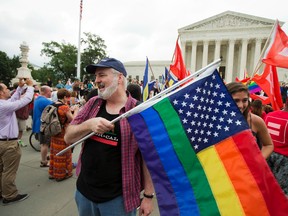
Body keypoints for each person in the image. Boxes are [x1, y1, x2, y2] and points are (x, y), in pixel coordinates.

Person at [64, 57, 154, 216]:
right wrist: (89, 124)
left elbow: (148, 158)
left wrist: (148, 196)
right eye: (96, 76)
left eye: (101, 75)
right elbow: (68, 138)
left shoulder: (137, 111)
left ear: (119, 78)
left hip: (118, 199)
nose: (96, 80)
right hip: (84, 192)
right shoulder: (92, 103)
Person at [0, 78, 34, 205]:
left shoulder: (3, 104)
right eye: (6, 89)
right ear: (1, 93)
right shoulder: (3, 106)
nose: (8, 89)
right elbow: (24, 101)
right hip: (8, 144)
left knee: (1, 169)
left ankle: (2, 191)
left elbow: (12, 100)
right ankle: (9, 195)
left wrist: (19, 88)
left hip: (2, 142)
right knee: (9, 171)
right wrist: (30, 87)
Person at [226, 82, 273, 159]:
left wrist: (258, 161)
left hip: (247, 170)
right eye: (236, 101)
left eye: (244, 100)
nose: (241, 105)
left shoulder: (256, 121)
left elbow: (268, 145)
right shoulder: (214, 121)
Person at [49, 89, 79, 181]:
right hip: (63, 132)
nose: (69, 99)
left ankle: (52, 173)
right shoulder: (64, 107)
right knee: (64, 153)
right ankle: (61, 174)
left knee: (54, 152)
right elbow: (73, 119)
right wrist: (76, 110)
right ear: (65, 97)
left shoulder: (52, 104)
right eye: (68, 97)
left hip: (54, 132)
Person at [264, 99, 288, 196]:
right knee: (282, 193)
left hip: (267, 155)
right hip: (284, 161)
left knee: (267, 187)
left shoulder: (269, 115)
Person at [32, 85, 53, 167]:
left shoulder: (38, 99)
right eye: (50, 91)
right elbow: (56, 106)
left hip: (38, 125)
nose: (51, 92)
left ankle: (44, 157)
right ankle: (44, 161)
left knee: (43, 144)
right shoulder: (44, 101)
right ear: (46, 92)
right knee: (44, 144)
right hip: (43, 126)